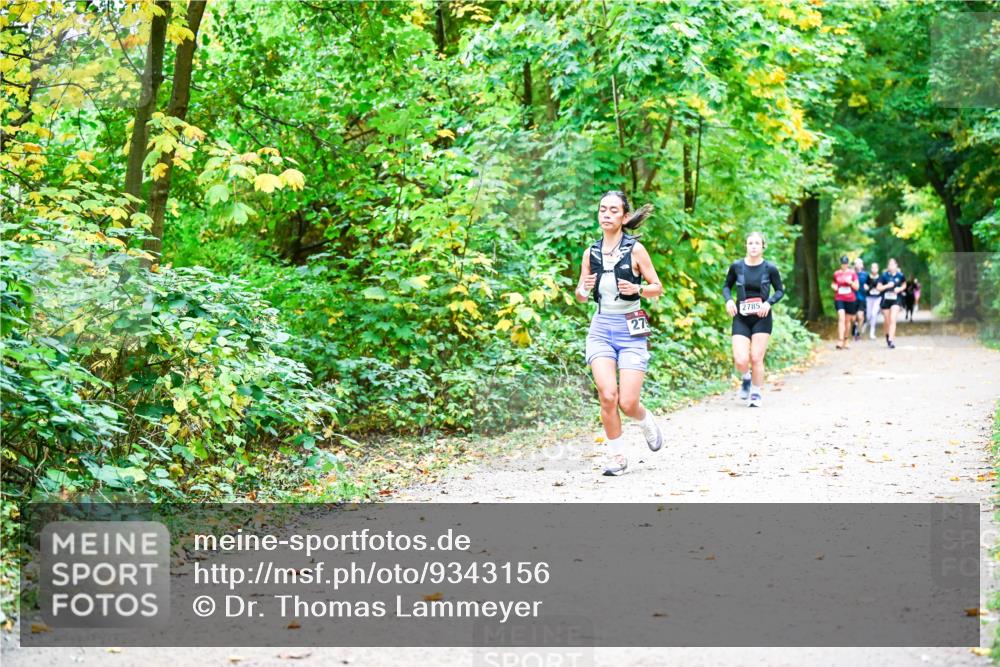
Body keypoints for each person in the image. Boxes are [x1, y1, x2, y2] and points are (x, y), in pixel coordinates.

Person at [575, 190, 665, 476]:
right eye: (603, 209)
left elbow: (657, 288)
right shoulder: (590, 252)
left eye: (614, 210)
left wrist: (637, 289)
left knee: (627, 402)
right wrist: (583, 289)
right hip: (601, 328)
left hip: (631, 328)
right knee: (607, 396)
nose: (606, 214)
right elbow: (579, 293)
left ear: (625, 217)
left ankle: (644, 418)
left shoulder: (635, 250)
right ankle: (618, 457)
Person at [722, 231, 784, 408]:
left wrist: (769, 303)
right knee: (741, 359)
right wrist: (728, 300)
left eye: (757, 243)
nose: (754, 246)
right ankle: (746, 379)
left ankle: (756, 393)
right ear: (746, 246)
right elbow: (727, 286)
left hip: (762, 318)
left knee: (756, 357)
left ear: (763, 246)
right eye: (750, 243)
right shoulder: (737, 266)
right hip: (741, 317)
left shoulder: (770, 268)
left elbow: (780, 290)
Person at [876, 257, 906, 348]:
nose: (891, 266)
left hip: (896, 300)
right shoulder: (884, 276)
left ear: (896, 265)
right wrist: (887, 286)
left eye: (893, 264)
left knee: (893, 319)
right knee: (887, 321)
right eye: (889, 264)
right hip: (885, 300)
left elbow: (904, 284)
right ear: (888, 266)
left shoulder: (900, 275)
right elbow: (878, 288)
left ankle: (891, 340)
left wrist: (900, 289)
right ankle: (887, 335)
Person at [831, 255, 860, 349]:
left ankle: (846, 339)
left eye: (846, 264)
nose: (844, 265)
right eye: (843, 264)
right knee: (841, 318)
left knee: (847, 321)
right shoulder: (836, 273)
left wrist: (850, 282)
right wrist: (834, 286)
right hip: (839, 298)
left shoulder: (852, 273)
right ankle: (840, 340)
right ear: (840, 264)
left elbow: (857, 287)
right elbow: (833, 283)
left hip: (850, 299)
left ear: (848, 264)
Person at [863, 261, 881, 339]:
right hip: (869, 298)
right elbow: (865, 285)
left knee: (874, 314)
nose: (874, 269)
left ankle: (872, 332)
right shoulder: (868, 277)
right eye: (872, 267)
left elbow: (883, 286)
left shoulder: (881, 277)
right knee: (869, 315)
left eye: (875, 267)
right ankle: (866, 322)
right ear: (871, 269)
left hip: (877, 298)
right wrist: (865, 287)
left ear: (877, 269)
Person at [852, 257, 868, 341]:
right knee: (853, 318)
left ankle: (858, 333)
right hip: (852, 298)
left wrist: (868, 287)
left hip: (862, 298)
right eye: (856, 263)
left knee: (860, 316)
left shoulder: (865, 275)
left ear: (862, 265)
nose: (857, 265)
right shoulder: (851, 274)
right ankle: (854, 327)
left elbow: (872, 284)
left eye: (859, 263)